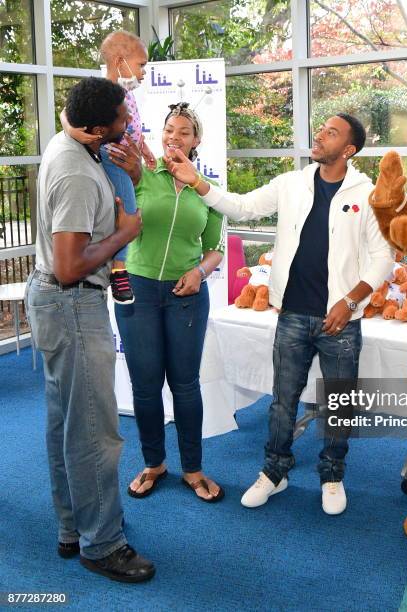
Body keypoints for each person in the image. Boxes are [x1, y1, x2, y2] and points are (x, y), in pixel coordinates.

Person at [166, 113, 393, 515]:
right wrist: (196, 180)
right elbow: (240, 206)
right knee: (282, 402)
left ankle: (333, 474)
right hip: (291, 315)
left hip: (341, 320)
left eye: (331, 133)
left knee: (339, 402)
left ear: (349, 150)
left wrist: (350, 302)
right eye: (321, 127)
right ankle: (274, 472)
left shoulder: (367, 193)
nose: (320, 134)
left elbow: (382, 260)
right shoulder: (292, 184)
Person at [25, 77, 155, 582]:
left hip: (59, 306)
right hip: (73, 304)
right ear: (97, 127)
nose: (129, 123)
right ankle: (102, 544)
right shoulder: (77, 174)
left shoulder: (69, 140)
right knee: (96, 431)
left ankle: (73, 528)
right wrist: (125, 233)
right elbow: (68, 265)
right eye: (123, 118)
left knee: (65, 424)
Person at [115, 102, 226, 503]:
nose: (173, 137)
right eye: (168, 130)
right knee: (145, 387)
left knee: (185, 385)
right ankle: (153, 464)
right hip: (139, 291)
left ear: (196, 140)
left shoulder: (205, 189)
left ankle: (193, 469)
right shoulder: (143, 175)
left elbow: (215, 247)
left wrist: (200, 272)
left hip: (188, 295)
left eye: (183, 132)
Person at [61, 30, 156, 305]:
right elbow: (66, 113)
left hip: (127, 153)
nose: (143, 73)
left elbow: (135, 128)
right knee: (126, 203)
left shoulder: (127, 94)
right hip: (111, 154)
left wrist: (145, 149)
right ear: (119, 61)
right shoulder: (103, 93)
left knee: (126, 203)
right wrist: (73, 132)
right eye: (141, 65)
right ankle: (119, 270)